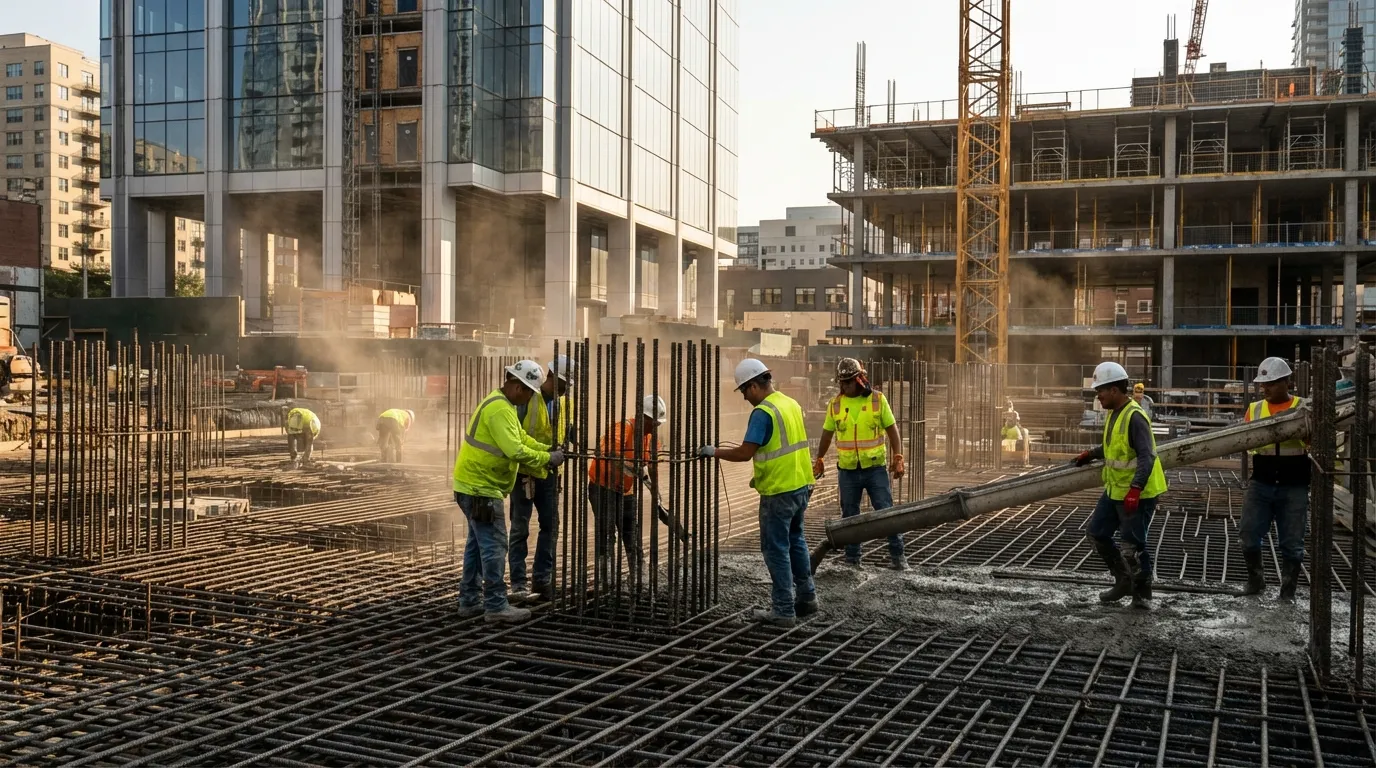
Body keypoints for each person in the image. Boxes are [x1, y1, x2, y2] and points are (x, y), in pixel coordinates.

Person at [700, 359, 816, 627]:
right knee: (796, 541)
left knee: (775, 549)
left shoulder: (763, 412)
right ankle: (807, 598)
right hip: (801, 485)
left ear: (753, 385)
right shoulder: (789, 403)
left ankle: (784, 610)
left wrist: (713, 452)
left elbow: (744, 452)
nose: (744, 397)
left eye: (743, 391)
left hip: (778, 491)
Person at [452, 360, 563, 623]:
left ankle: (469, 601)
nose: (528, 398)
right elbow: (515, 450)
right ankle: (495, 606)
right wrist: (546, 459)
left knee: (476, 547)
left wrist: (546, 449)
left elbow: (522, 438)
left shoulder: (502, 405)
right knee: (494, 547)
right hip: (481, 489)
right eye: (527, 392)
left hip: (474, 485)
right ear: (516, 386)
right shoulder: (500, 410)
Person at [1072, 361, 1168, 610]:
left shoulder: (1135, 416)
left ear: (1114, 390)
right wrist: (1091, 454)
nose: (1098, 396)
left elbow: (1147, 457)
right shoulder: (1115, 413)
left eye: (1100, 391)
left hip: (1138, 493)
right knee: (1097, 534)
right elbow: (1114, 447)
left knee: (1133, 546)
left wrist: (1136, 488)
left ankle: (1142, 595)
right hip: (1116, 490)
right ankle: (1123, 581)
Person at [811, 358, 907, 569]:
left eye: (847, 382)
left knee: (885, 511)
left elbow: (892, 430)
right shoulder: (836, 405)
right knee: (849, 515)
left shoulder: (877, 400)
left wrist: (898, 457)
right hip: (848, 471)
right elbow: (827, 435)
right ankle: (852, 560)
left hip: (875, 469)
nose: (843, 386)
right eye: (841, 383)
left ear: (858, 380)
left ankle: (898, 558)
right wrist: (819, 458)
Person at [509, 355, 576, 602]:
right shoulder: (528, 398)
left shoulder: (566, 404)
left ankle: (542, 579)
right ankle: (518, 584)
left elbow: (570, 434)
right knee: (520, 529)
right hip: (524, 473)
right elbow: (514, 437)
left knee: (551, 527)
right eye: (564, 384)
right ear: (552, 378)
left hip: (549, 474)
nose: (566, 390)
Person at [1240, 357, 1308, 601]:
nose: (1265, 388)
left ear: (1286, 382)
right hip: (1262, 482)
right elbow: (1245, 441)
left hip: (1294, 485)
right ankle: (1255, 580)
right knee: (1248, 533)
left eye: (1271, 383)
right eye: (1263, 384)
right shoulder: (1255, 409)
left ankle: (1287, 591)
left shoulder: (1304, 408)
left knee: (1292, 542)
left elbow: (1317, 441)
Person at [588, 395, 667, 582]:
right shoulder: (622, 428)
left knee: (632, 534)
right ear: (642, 417)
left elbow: (652, 465)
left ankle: (639, 575)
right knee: (606, 534)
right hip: (603, 488)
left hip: (625, 491)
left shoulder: (650, 439)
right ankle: (605, 578)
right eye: (652, 423)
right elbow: (612, 455)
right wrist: (634, 468)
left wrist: (656, 494)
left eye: (657, 424)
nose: (654, 428)